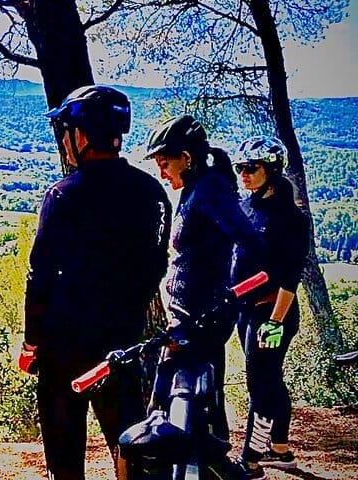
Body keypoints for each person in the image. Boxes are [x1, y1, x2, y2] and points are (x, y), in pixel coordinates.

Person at [20, 85, 172, 480]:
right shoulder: (153, 193)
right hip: (123, 346)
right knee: (132, 452)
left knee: (65, 458)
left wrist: (32, 342)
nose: (64, 142)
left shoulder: (63, 196)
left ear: (82, 136)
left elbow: (40, 277)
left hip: (63, 350)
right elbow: (155, 267)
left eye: (66, 132)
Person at [143, 114, 262, 444]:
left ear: (186, 157)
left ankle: (209, 460)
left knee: (180, 402)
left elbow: (249, 240)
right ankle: (208, 458)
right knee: (188, 400)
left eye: (165, 164)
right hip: (188, 315)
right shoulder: (195, 189)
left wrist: (229, 294)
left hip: (202, 317)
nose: (162, 173)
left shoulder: (210, 189)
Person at [231, 136, 310, 480]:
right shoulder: (246, 205)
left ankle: (250, 461)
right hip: (245, 310)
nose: (244, 174)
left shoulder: (291, 218)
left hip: (272, 313)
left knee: (260, 384)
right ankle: (280, 450)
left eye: (251, 168)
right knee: (270, 379)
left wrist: (275, 322)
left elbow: (291, 277)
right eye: (240, 168)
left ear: (272, 170)